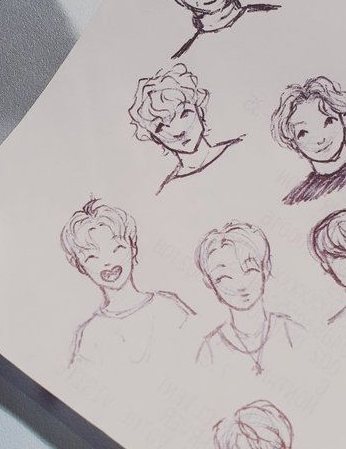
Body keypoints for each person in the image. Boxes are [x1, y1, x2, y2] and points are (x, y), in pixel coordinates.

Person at [60, 199, 195, 367]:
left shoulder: (169, 306)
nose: (107, 262)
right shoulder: (90, 334)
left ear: (133, 249)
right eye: (92, 257)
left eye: (117, 249)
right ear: (80, 266)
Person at [195, 221, 304, 375]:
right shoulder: (211, 348)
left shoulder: (290, 330)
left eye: (249, 269)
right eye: (224, 277)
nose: (240, 284)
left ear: (265, 268)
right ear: (210, 284)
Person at [271, 76, 346, 203]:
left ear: (343, 118)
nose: (320, 139)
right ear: (294, 144)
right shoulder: (296, 198)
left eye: (328, 121)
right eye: (303, 133)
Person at [129, 63, 243, 195]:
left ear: (199, 111)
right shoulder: (167, 191)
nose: (178, 131)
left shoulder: (239, 149)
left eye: (185, 113)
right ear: (155, 138)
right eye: (160, 127)